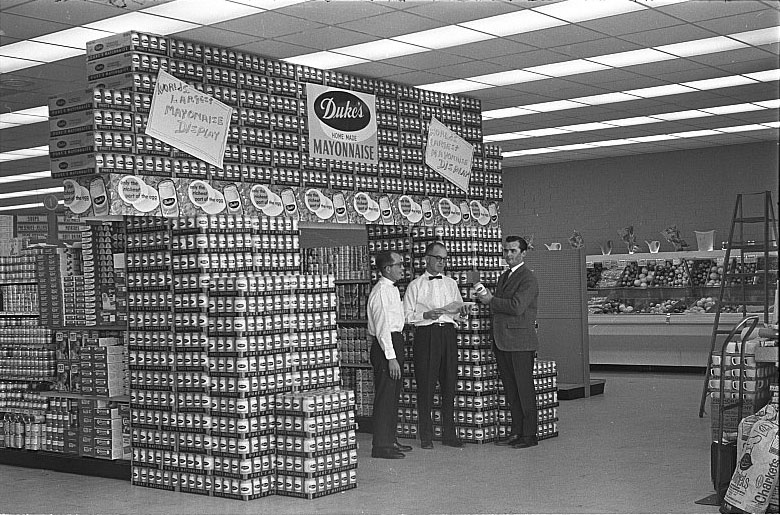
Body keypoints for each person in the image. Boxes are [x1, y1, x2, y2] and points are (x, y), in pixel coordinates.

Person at [403, 242, 470, 449]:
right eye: (438, 258)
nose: (442, 262)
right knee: (426, 385)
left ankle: (449, 434)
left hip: (448, 335)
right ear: (427, 259)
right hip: (426, 335)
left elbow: (458, 311)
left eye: (445, 259)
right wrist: (425, 315)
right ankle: (426, 435)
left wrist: (462, 314)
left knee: (449, 384)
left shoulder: (451, 283)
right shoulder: (415, 285)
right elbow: (405, 316)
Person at [476, 235, 540, 449]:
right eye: (505, 251)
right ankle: (517, 432)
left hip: (520, 342)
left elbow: (516, 306)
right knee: (512, 391)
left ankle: (529, 435)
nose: (508, 255)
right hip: (503, 341)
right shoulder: (504, 277)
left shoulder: (528, 277)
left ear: (523, 253)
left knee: (524, 390)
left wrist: (491, 300)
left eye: (513, 251)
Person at [367, 250, 411, 459]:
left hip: (395, 341)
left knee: (393, 395)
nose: (402, 268)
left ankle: (390, 439)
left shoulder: (392, 289)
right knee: (385, 396)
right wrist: (391, 357)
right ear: (387, 268)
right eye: (399, 264)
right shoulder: (382, 292)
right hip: (386, 345)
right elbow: (383, 325)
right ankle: (381, 445)